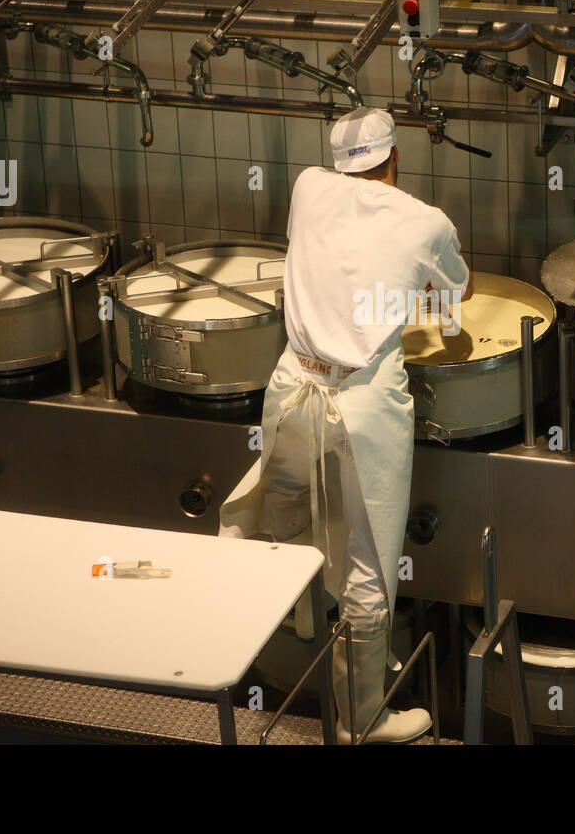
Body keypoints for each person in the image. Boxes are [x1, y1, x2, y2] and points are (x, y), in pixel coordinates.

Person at [218, 107, 473, 744]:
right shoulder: (428, 223)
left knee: (282, 521)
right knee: (368, 557)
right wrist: (441, 324)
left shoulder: (307, 188)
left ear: (336, 161)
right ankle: (363, 719)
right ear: (397, 158)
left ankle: (271, 650)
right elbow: (454, 299)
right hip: (362, 404)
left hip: (291, 388)